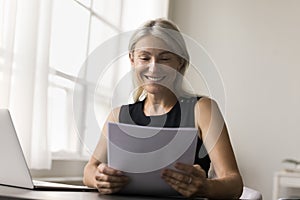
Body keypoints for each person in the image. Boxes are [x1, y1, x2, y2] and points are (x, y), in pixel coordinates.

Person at [83, 18, 243, 199]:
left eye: (165, 58)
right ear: (132, 59)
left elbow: (234, 183)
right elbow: (90, 169)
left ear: (180, 63)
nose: (153, 68)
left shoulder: (202, 109)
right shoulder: (118, 115)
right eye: (144, 57)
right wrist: (99, 178)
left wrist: (206, 187)